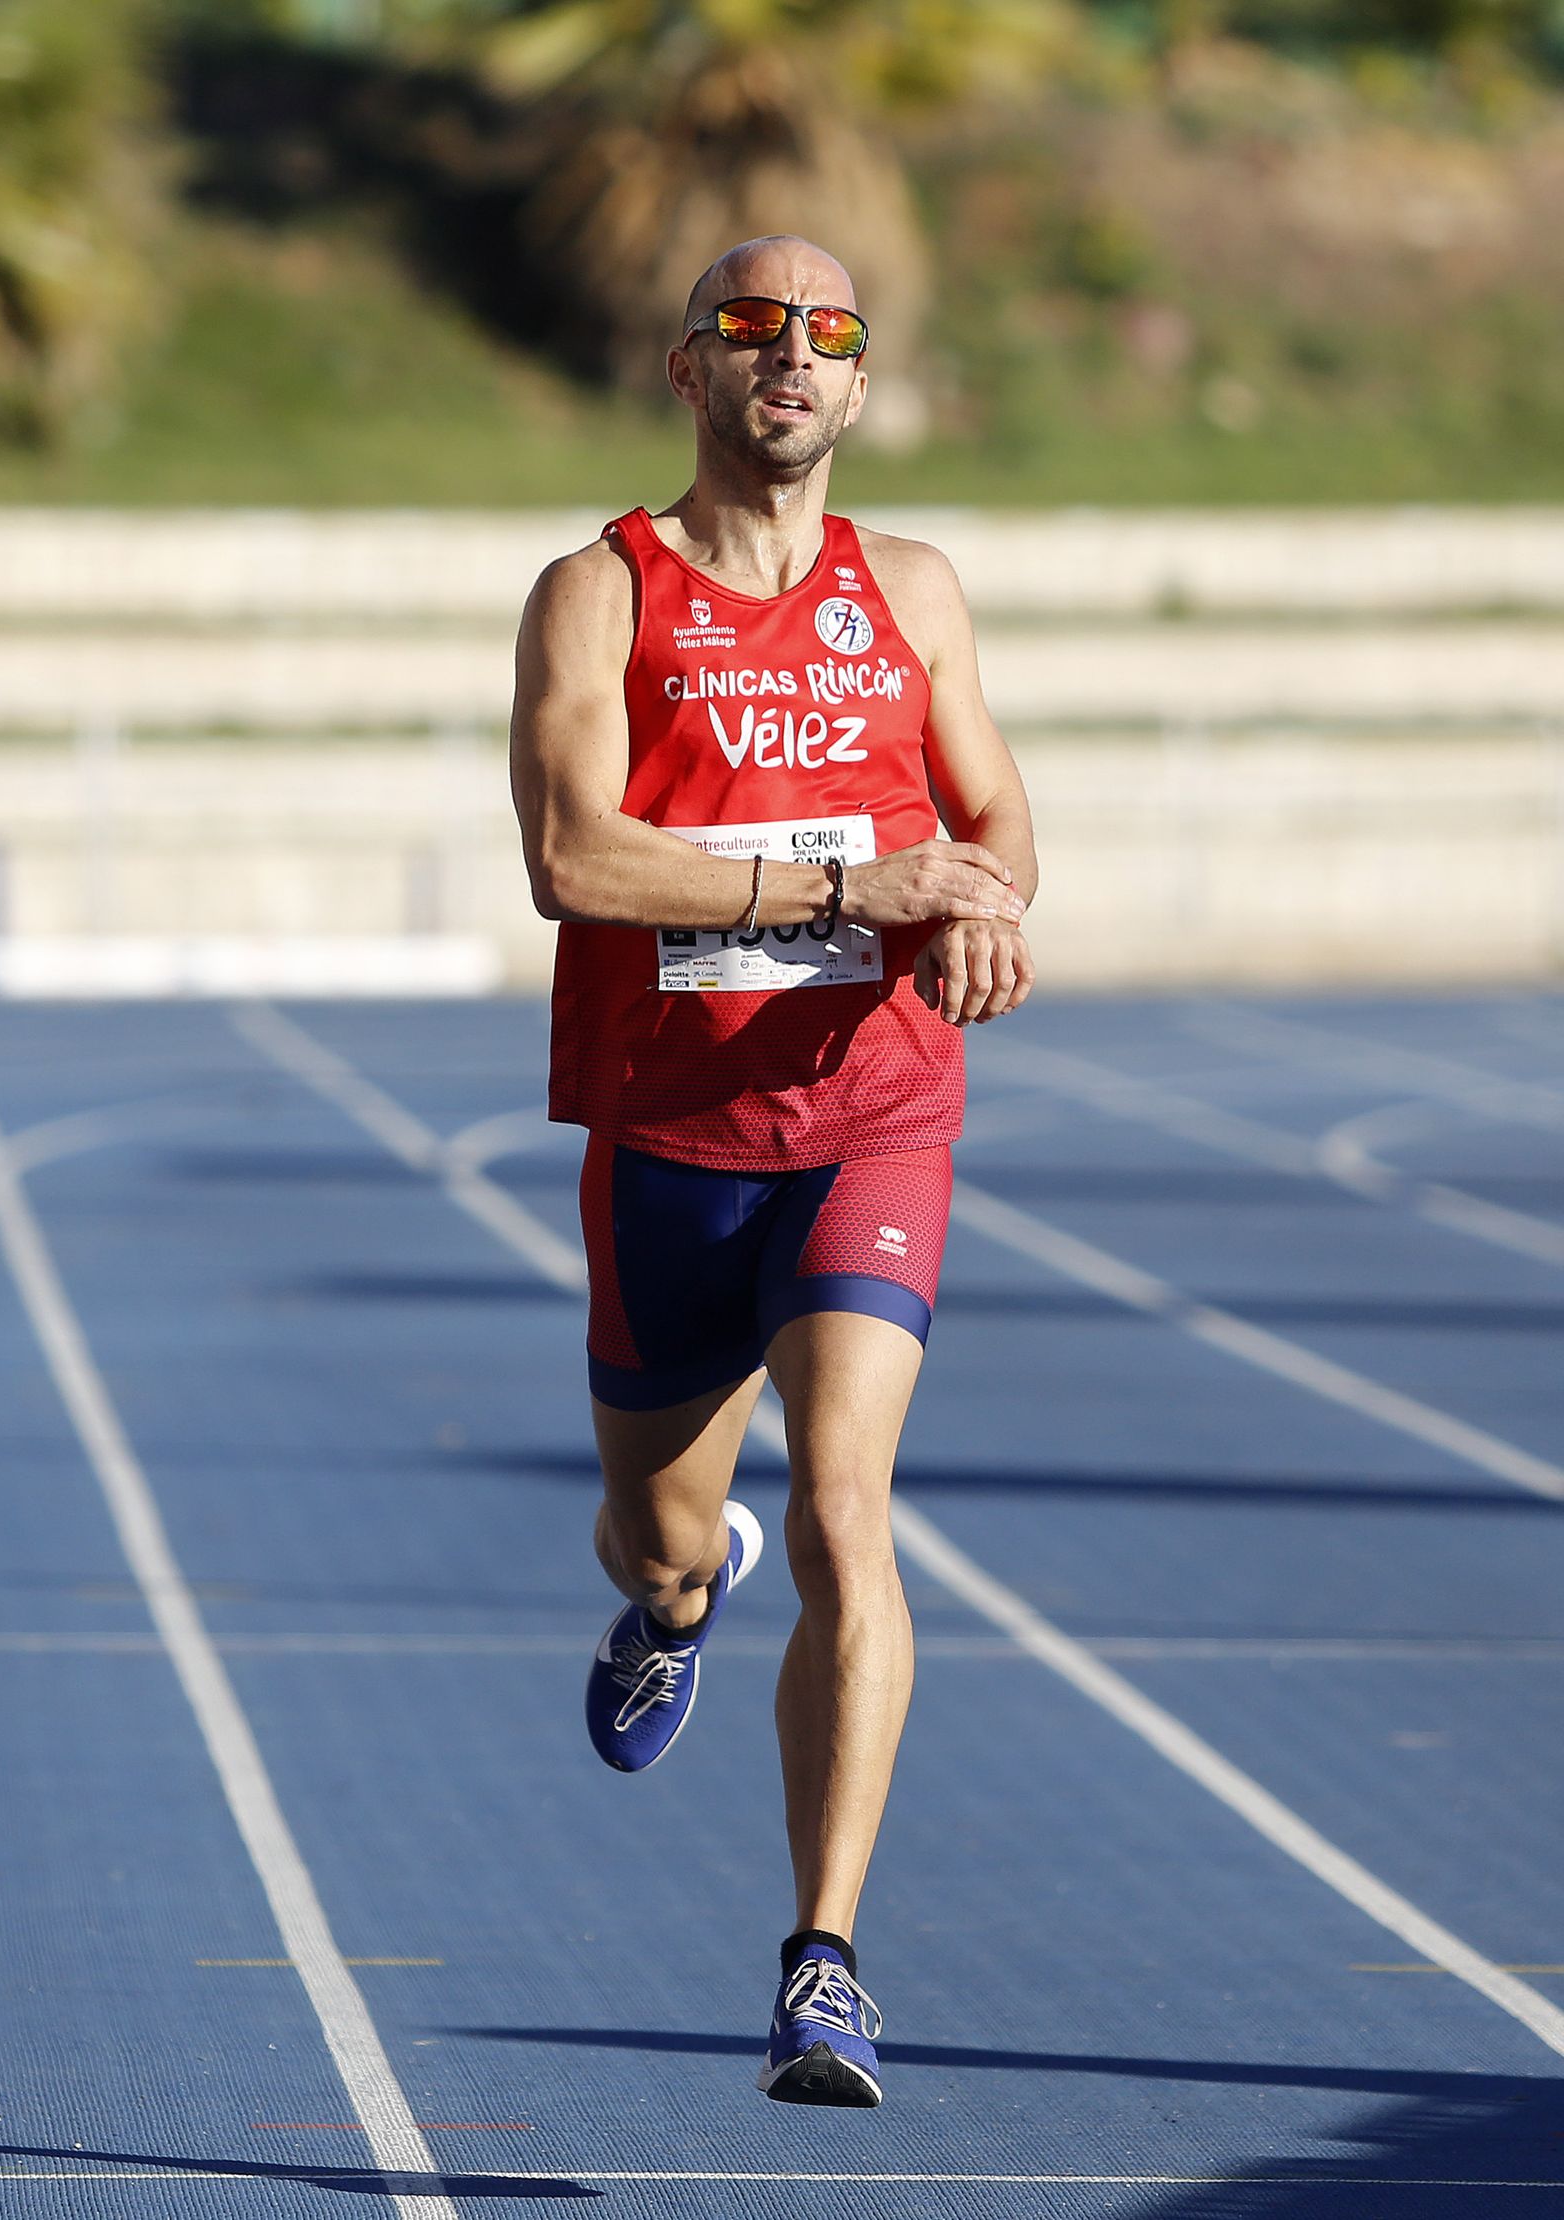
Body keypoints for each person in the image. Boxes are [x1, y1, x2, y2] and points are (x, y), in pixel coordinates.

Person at [510, 234, 1037, 2107]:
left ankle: (824, 1962)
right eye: (752, 330)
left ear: (861, 385)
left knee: (846, 1510)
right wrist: (845, 885)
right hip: (673, 1139)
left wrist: (986, 907)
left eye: (828, 335)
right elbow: (577, 857)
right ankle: (672, 1605)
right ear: (688, 372)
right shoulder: (600, 594)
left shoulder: (913, 592)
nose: (791, 360)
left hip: (872, 1116)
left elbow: (989, 811)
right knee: (665, 1532)